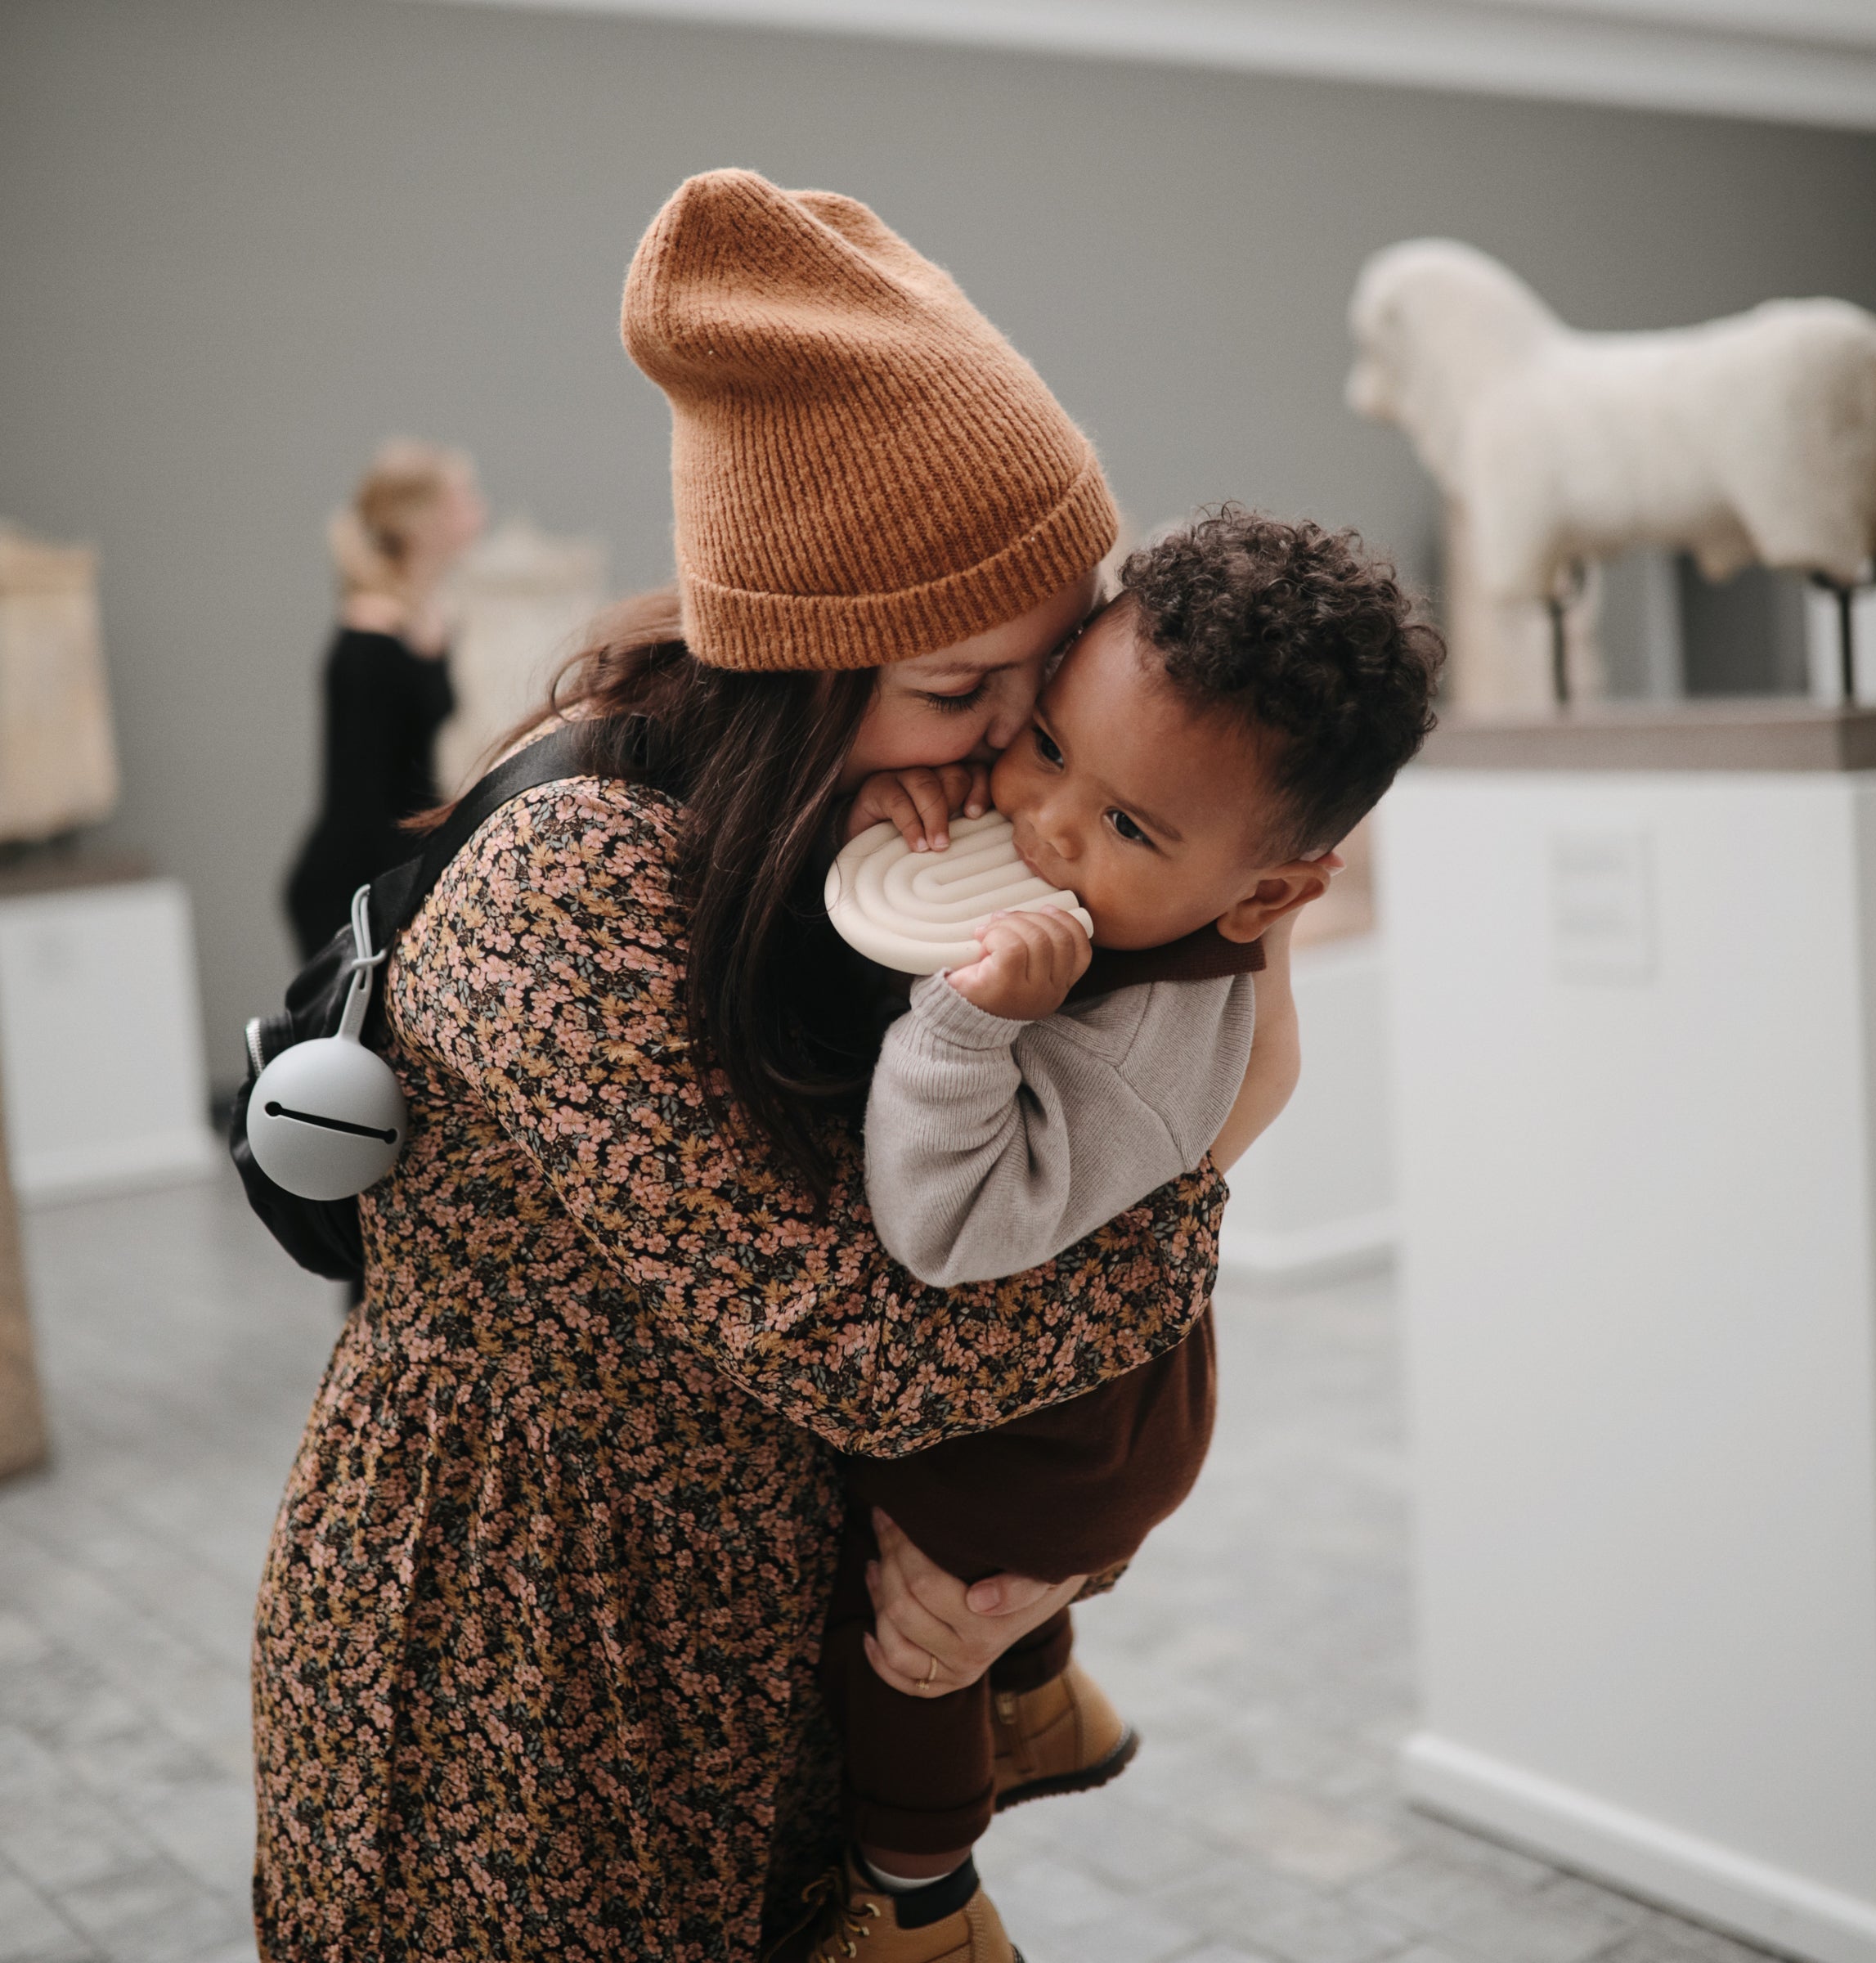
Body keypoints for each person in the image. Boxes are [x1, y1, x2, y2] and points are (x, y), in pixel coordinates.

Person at [251, 171, 1227, 1963]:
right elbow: (859, 1343)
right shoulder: (575, 877)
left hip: (767, 1636)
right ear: (792, 666)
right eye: (957, 692)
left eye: (1043, 691)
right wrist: (1188, 1208)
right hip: (521, 1661)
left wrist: (1039, 1560)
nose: (1012, 762)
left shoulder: (860, 859)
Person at [810, 511, 1441, 1952]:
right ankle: (1043, 1694)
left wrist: (967, 1025)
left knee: (902, 1627)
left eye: (1129, 828)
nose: (1044, 828)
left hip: (1065, 1438)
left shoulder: (1152, 1044)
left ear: (1271, 894)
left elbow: (945, 1226)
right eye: (1042, 750)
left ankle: (924, 1895)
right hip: (1097, 1374)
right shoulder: (1102, 874)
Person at [283, 439, 485, 958]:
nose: (476, 510)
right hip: (354, 881)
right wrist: (407, 896)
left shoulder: (427, 620)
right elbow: (364, 795)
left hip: (394, 865)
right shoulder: (368, 640)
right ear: (420, 522)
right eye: (460, 499)